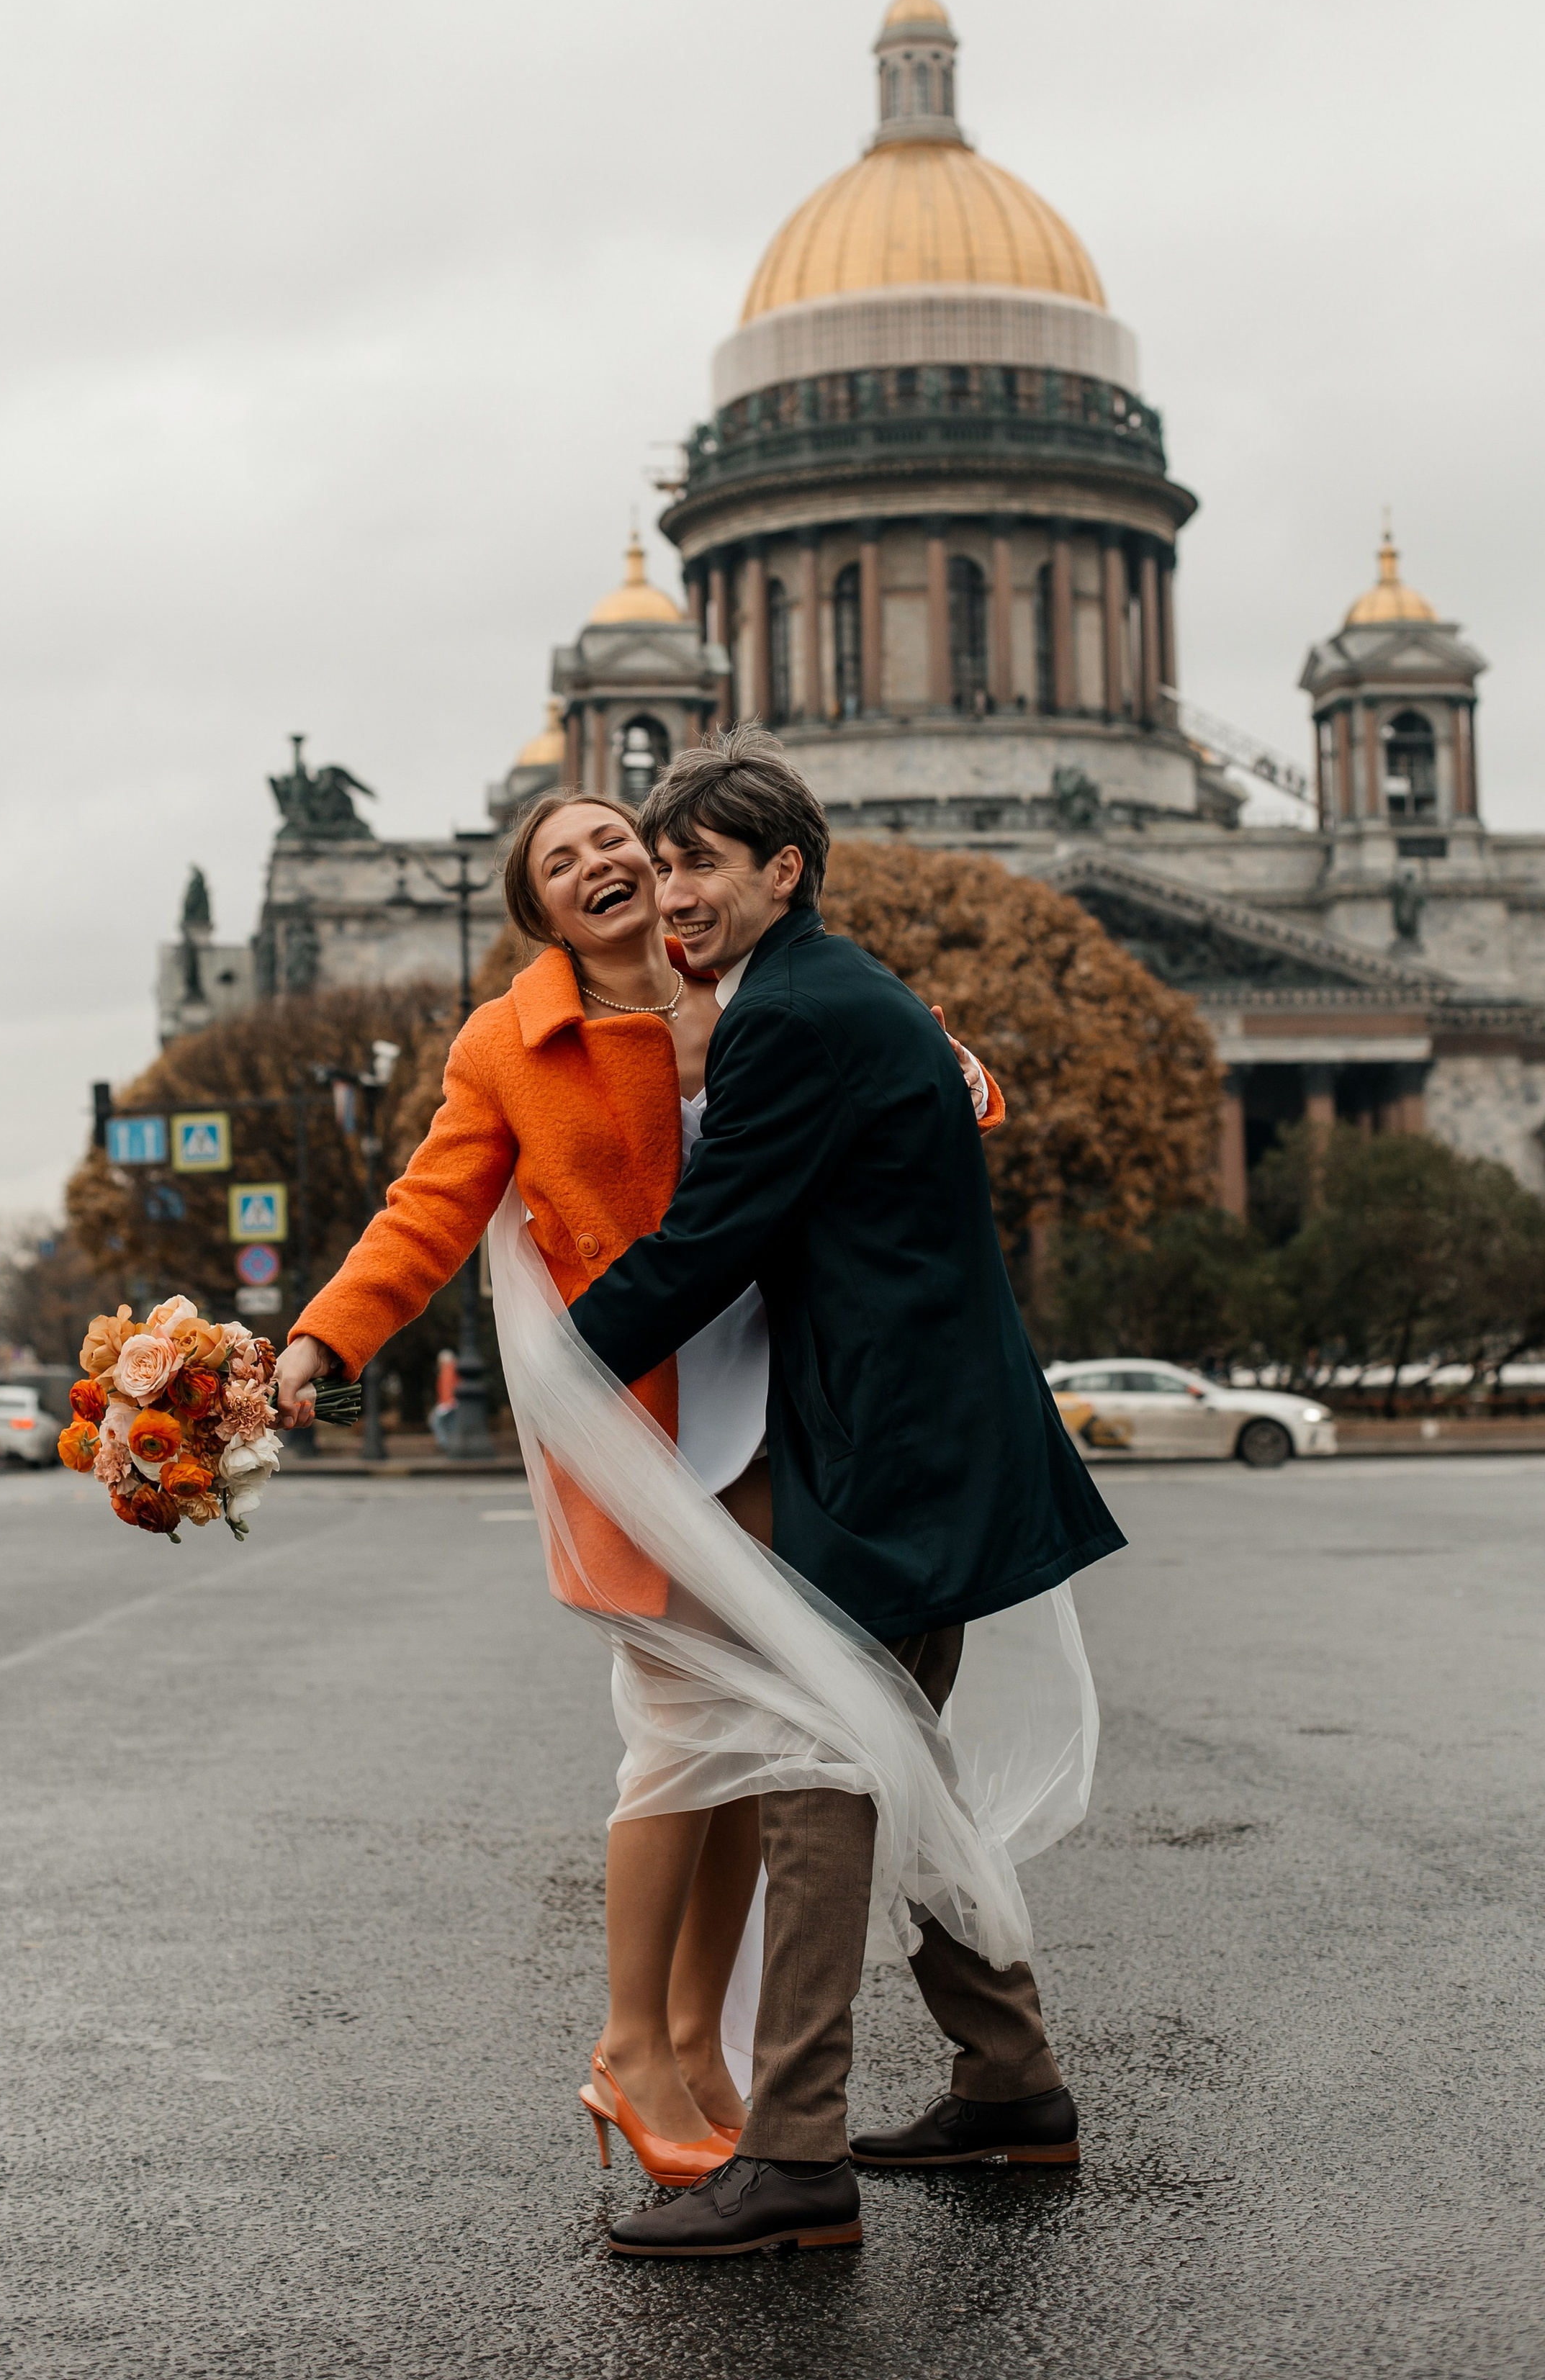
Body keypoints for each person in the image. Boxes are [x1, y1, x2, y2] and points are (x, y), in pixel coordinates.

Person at [273, 782, 1009, 2194]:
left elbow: (913, 1072)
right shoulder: (510, 1043)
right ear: (537, 907)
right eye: (565, 858)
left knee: (755, 1736)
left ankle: (697, 2040)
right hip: (639, 1405)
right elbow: (424, 1214)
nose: (604, 861)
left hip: (786, 1400)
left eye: (620, 837)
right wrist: (316, 1345)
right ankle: (629, 2044)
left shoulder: (745, 976)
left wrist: (947, 1067)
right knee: (677, 1735)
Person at [562, 726, 1127, 2261]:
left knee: (816, 1777)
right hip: (925, 1440)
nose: (669, 891)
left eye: (696, 863)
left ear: (781, 871)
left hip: (893, 1458)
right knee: (906, 1769)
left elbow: (713, 1240)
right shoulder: (832, 989)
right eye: (657, 861)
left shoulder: (792, 1018)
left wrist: (553, 1367)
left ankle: (795, 2157)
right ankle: (1009, 2087)